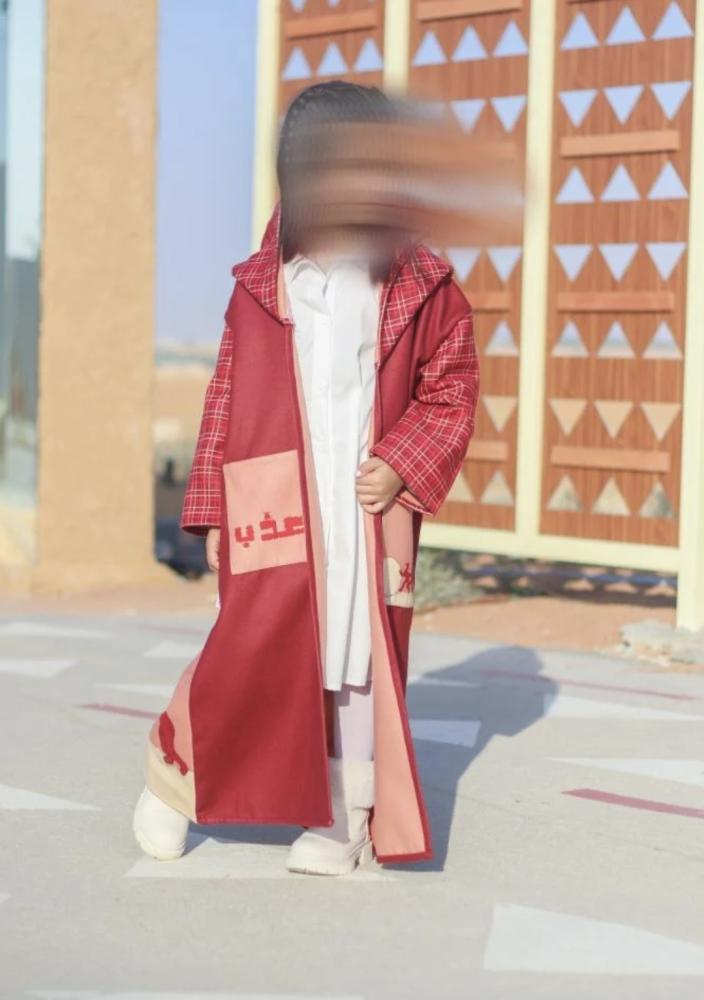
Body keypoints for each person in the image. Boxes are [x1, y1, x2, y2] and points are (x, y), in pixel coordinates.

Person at [133, 81, 479, 875]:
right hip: (274, 494)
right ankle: (175, 779)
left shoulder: (420, 284)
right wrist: (213, 509)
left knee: (357, 654)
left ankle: (345, 813)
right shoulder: (265, 282)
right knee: (251, 641)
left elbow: (452, 387)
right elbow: (226, 395)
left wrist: (402, 462)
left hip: (365, 506)